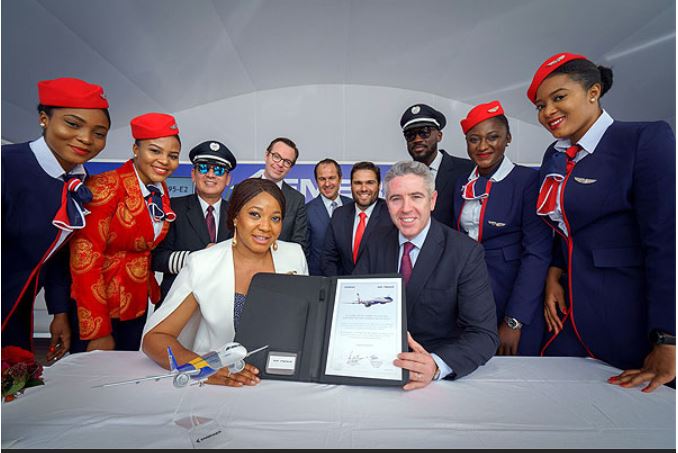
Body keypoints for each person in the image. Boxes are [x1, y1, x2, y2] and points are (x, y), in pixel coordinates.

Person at [527, 52, 676, 392]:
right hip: (568, 314)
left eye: (559, 97)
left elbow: (667, 242)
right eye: (540, 105)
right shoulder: (554, 154)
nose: (548, 111)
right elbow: (566, 227)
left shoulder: (643, 140)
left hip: (628, 316)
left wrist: (668, 338)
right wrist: (555, 270)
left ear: (593, 92)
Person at [141, 179, 308, 387]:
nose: (266, 227)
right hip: (221, 387)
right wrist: (202, 367)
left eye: (275, 218)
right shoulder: (203, 263)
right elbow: (155, 337)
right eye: (255, 214)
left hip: (282, 382)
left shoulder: (294, 255)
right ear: (235, 216)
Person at [354, 161, 498, 390]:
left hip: (436, 383)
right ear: (387, 203)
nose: (406, 208)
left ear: (432, 200)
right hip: (378, 369)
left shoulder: (465, 253)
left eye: (416, 197)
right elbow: (356, 306)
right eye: (396, 199)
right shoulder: (375, 243)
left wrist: (437, 365)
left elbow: (483, 335)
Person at [2, 77, 111, 360]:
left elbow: (58, 258)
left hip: (18, 307)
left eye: (99, 133)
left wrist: (59, 312)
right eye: (73, 124)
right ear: (44, 119)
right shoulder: (7, 166)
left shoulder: (76, 181)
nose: (86, 138)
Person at [69, 112, 181, 352]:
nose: (164, 161)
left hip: (135, 304)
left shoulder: (159, 189)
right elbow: (85, 260)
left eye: (173, 156)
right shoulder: (105, 186)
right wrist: (99, 331)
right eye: (155, 151)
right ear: (136, 149)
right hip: (101, 308)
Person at [453, 100, 552, 356]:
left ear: (508, 138)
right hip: (468, 299)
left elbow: (537, 254)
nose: (482, 146)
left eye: (493, 137)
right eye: (474, 139)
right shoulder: (461, 183)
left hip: (510, 296)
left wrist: (514, 320)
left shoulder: (528, 181)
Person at [152, 140, 237, 304]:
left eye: (219, 170)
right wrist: (199, 257)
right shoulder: (172, 209)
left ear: (227, 179)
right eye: (203, 168)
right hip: (178, 301)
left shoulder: (237, 215)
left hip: (221, 302)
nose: (210, 175)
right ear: (193, 174)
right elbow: (156, 258)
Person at [400, 103, 474, 228]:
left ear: (439, 136)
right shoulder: (402, 177)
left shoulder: (467, 170)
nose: (417, 139)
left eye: (424, 132)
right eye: (410, 135)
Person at [321, 161, 393, 276]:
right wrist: (339, 283)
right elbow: (328, 258)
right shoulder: (339, 214)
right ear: (351, 185)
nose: (363, 188)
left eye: (370, 183)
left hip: (379, 285)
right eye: (358, 183)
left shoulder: (391, 214)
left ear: (379, 185)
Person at [260, 137, 309, 253]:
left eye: (287, 162)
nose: (280, 164)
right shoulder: (242, 190)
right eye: (276, 157)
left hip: (281, 261)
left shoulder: (297, 199)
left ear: (291, 167)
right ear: (266, 155)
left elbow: (299, 243)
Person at [306, 158, 352, 275]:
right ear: (316, 181)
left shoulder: (353, 206)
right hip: (318, 279)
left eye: (331, 178)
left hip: (350, 278)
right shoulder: (306, 211)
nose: (327, 184)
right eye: (322, 179)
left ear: (340, 179)